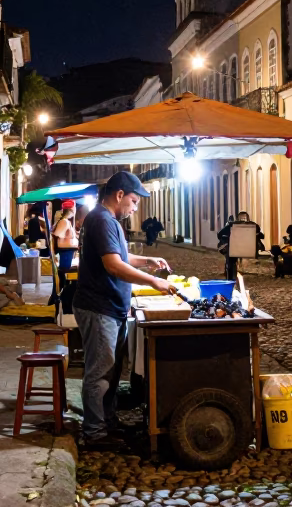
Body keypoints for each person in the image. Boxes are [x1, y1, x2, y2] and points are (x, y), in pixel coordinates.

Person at [74, 170, 176, 449]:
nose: (135, 207)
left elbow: (121, 255)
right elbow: (114, 265)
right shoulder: (101, 219)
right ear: (119, 195)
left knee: (112, 370)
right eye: (133, 200)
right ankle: (94, 433)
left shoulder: (109, 220)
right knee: (100, 372)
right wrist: (154, 281)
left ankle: (107, 423)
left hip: (111, 308)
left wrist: (147, 260)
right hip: (98, 307)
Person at [52, 205, 79, 270]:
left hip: (68, 250)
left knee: (65, 269)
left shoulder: (66, 221)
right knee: (64, 270)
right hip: (66, 250)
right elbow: (57, 235)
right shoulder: (64, 222)